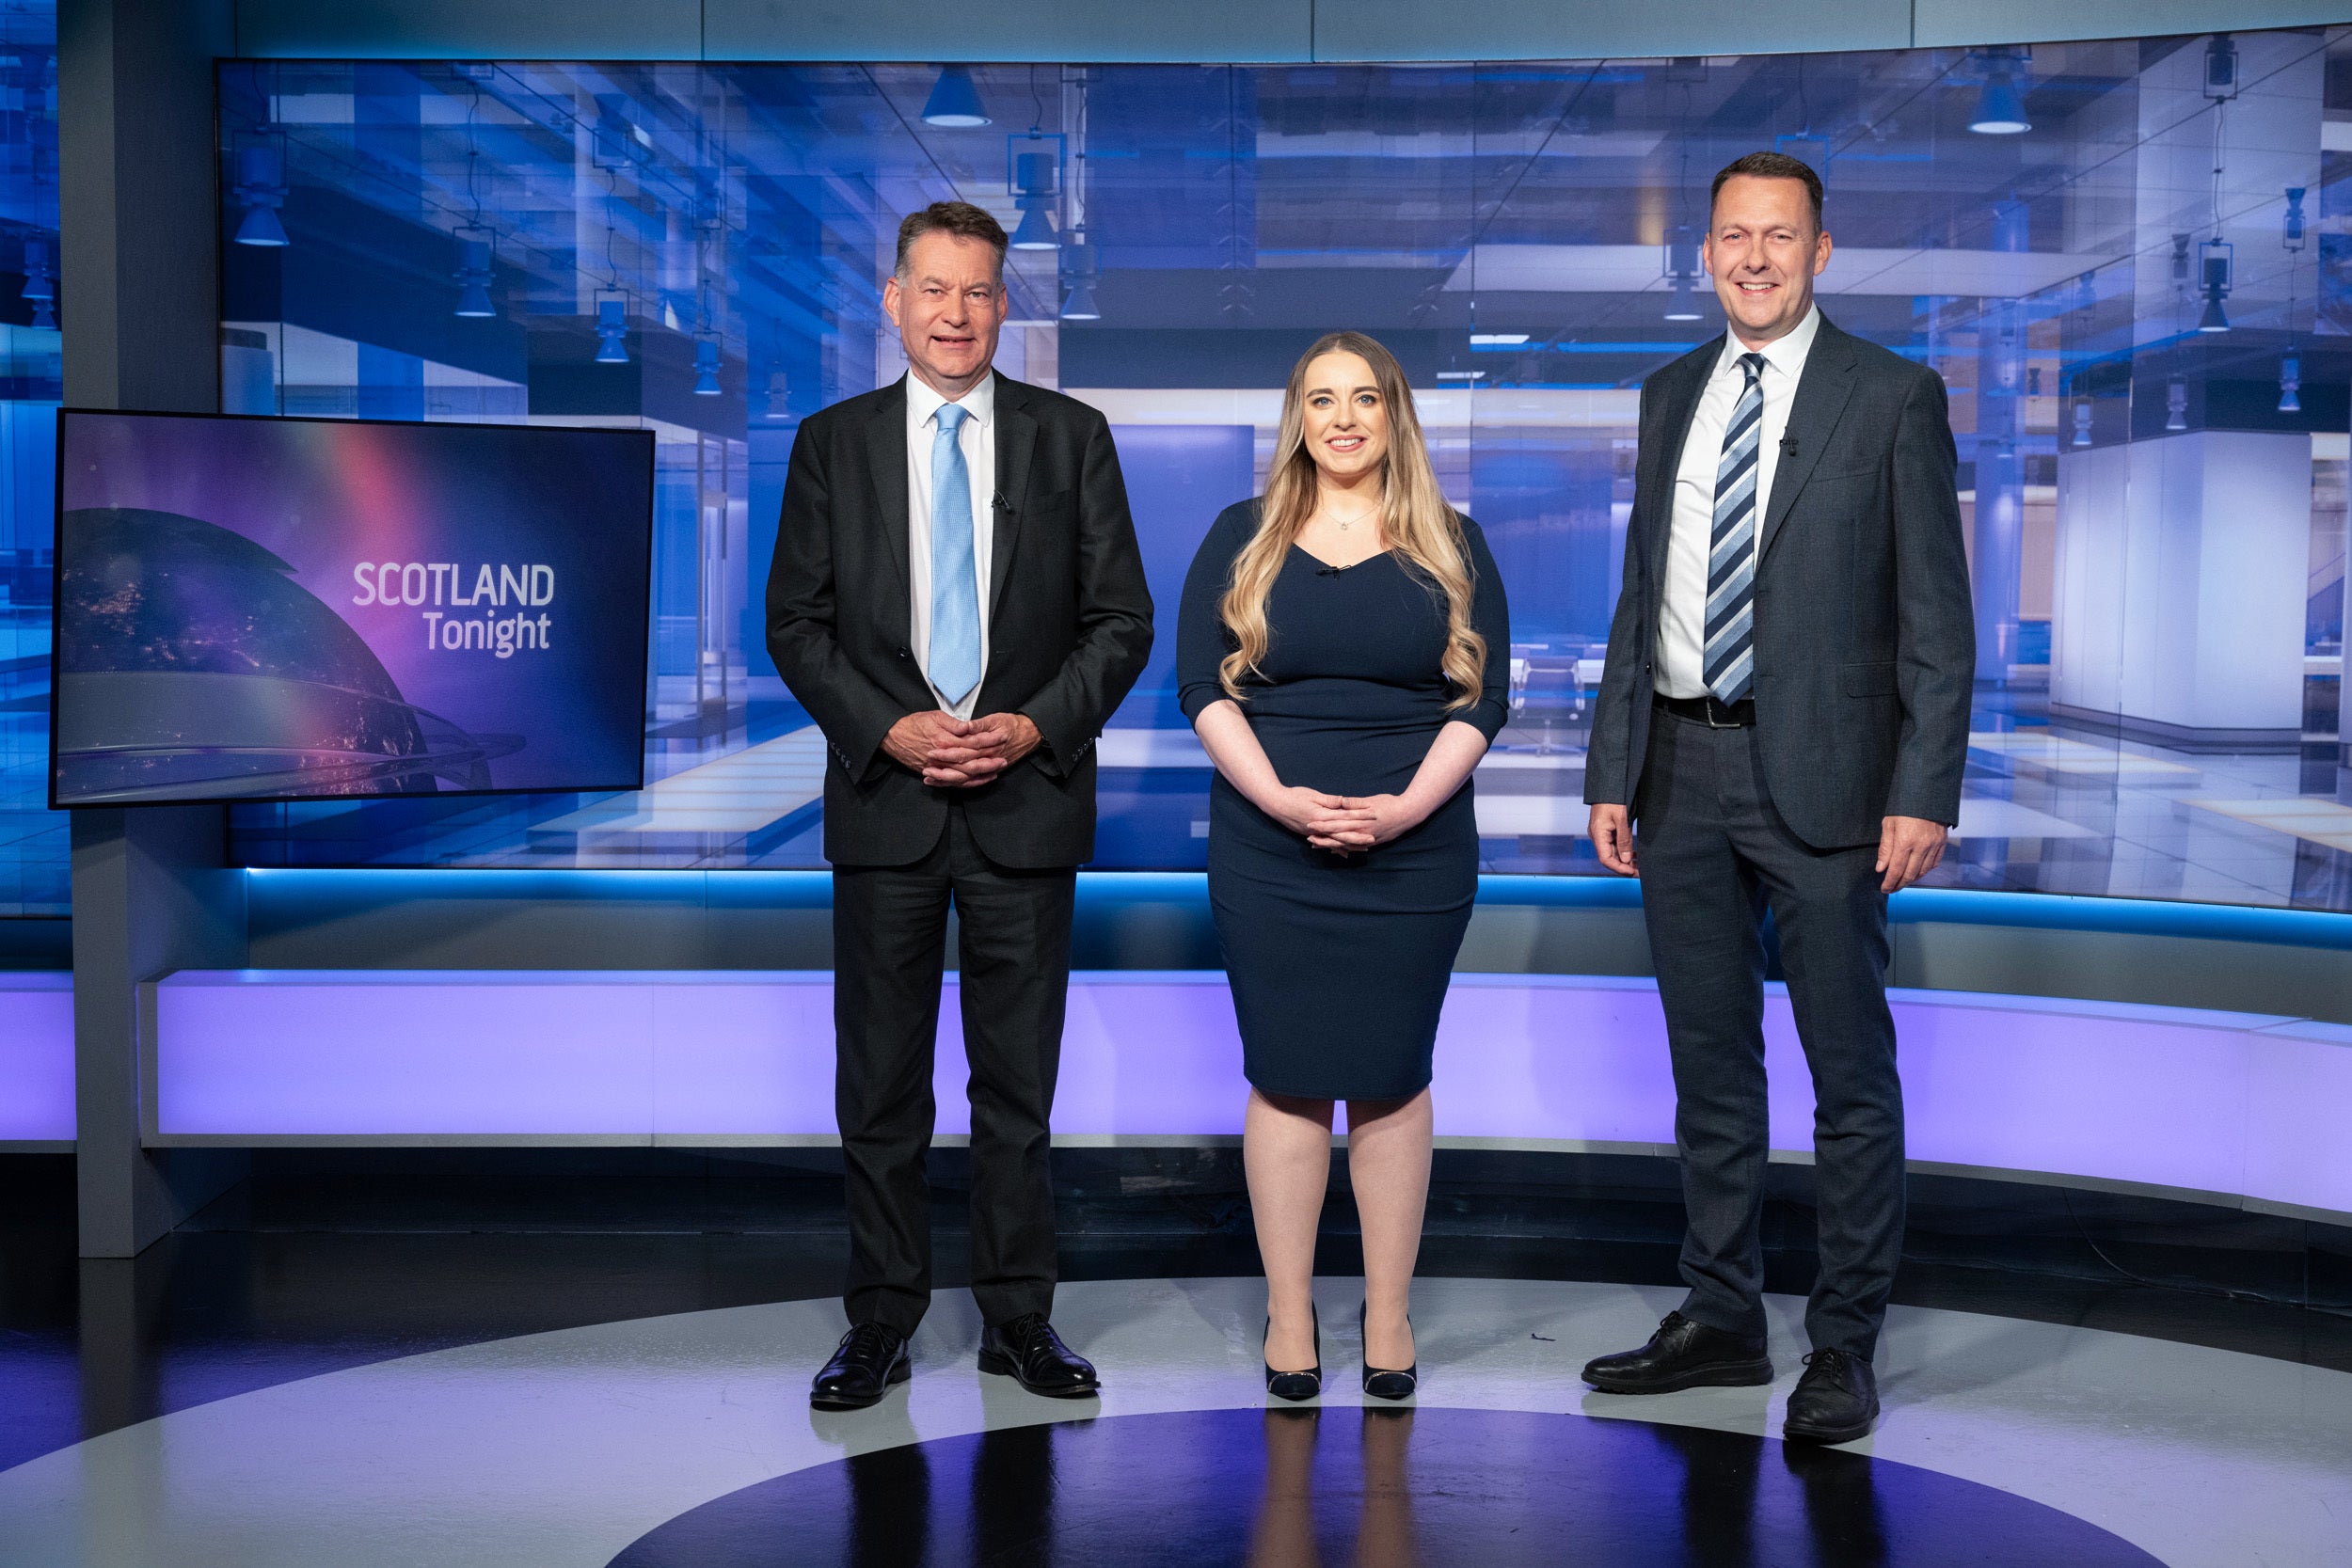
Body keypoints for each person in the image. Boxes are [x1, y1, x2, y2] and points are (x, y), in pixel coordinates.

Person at [1581, 152, 1974, 1444]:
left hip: (1833, 784)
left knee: (1849, 1076)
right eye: (1732, 237)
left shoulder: (1893, 397)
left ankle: (1844, 1344)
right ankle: (1722, 1315)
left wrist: (1923, 788)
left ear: (1820, 248)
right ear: (1704, 252)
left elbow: (1936, 624)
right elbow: (1642, 596)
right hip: (1680, 769)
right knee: (1709, 1068)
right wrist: (1612, 764)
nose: (1754, 257)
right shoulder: (1669, 393)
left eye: (1780, 236)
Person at [767, 200, 1153, 1410]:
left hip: (1023, 802)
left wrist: (1033, 723)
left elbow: (1120, 622)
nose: (954, 312)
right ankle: (879, 1319)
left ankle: (1016, 1319)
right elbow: (796, 624)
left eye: (978, 291)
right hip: (886, 802)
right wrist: (885, 725)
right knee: (878, 1085)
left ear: (1004, 305)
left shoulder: (1070, 436)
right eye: (932, 289)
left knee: (1014, 1090)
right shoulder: (831, 443)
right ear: (893, 301)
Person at [1176, 331, 1510, 1402]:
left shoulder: (1454, 542)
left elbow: (1481, 703)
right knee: (1285, 1072)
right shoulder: (1243, 535)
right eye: (1321, 399)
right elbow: (1199, 686)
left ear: (1394, 413)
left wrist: (1407, 807)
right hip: (1267, 851)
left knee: (1390, 1075)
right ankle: (1287, 1312)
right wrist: (1277, 798)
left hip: (1416, 855)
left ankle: (1387, 1311)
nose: (1344, 417)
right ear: (1298, 417)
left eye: (1365, 397)